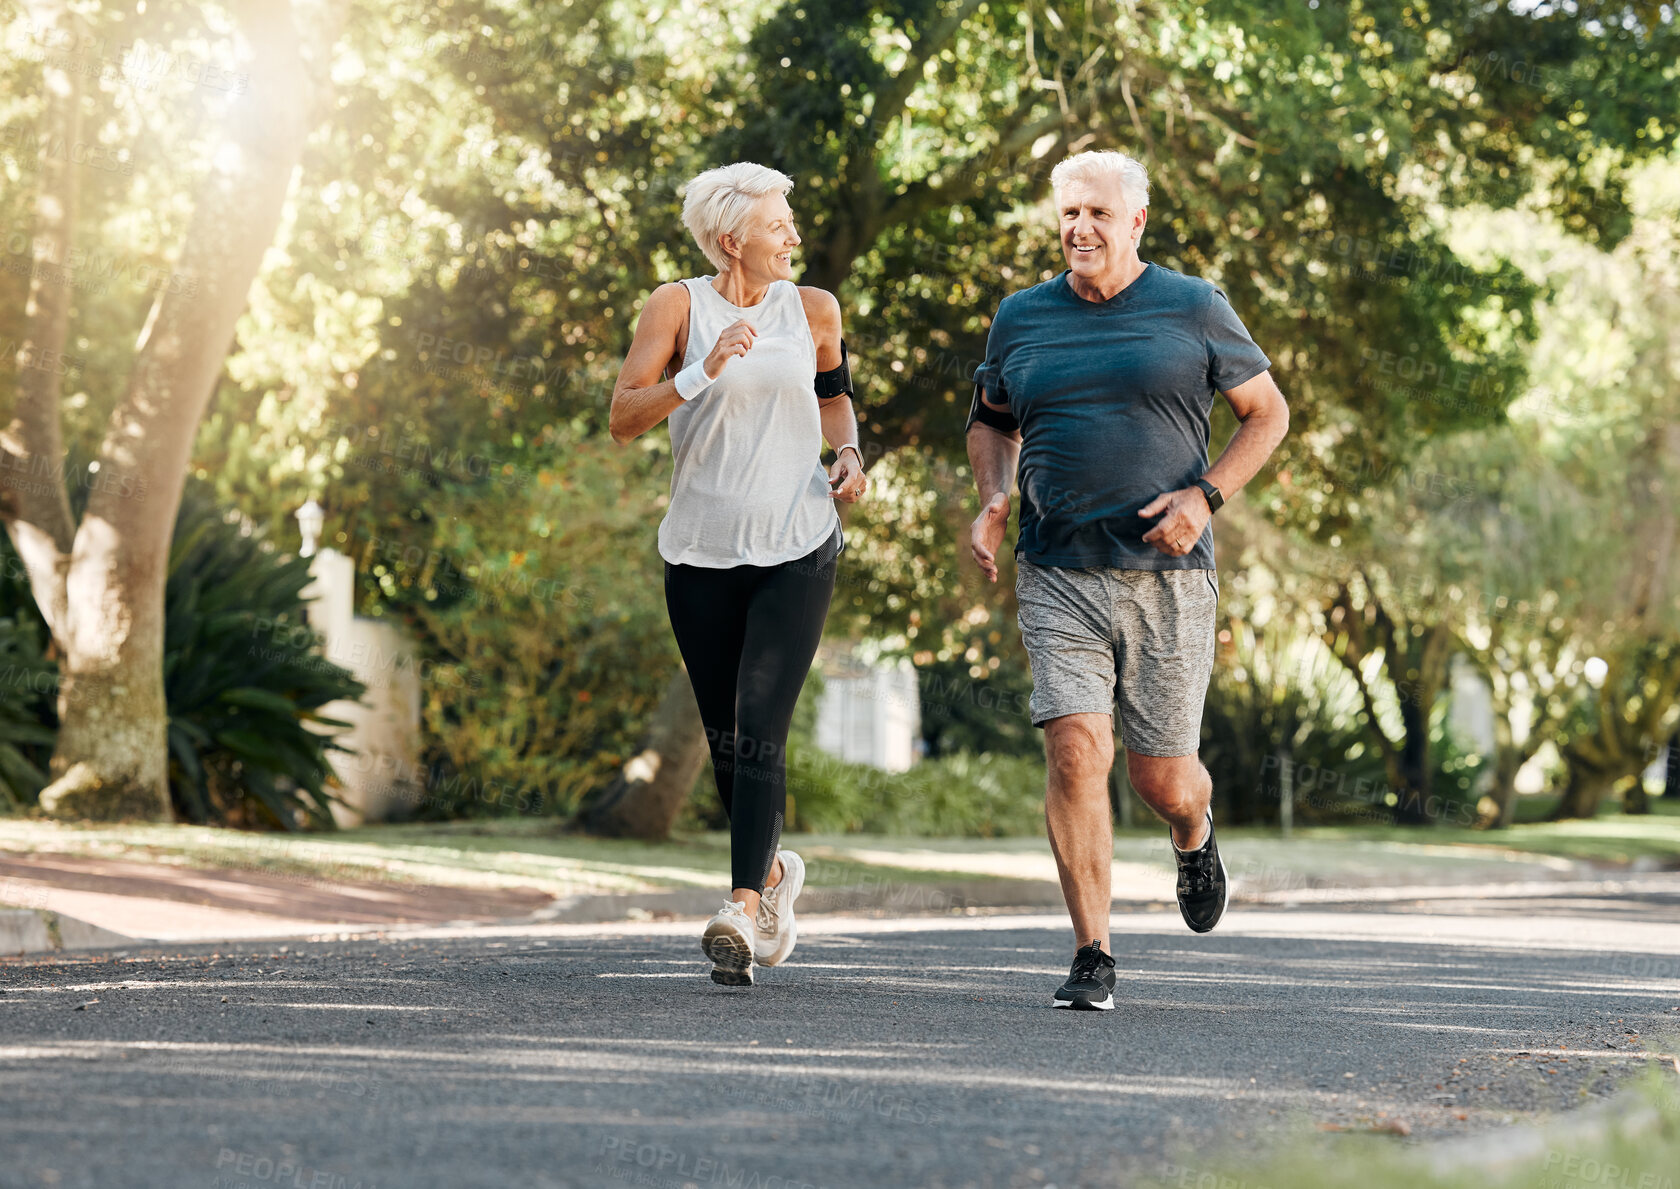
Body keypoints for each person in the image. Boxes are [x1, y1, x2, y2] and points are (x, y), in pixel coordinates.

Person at [965, 150, 1289, 1010]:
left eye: (1099, 214)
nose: (1080, 228)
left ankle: (1193, 829)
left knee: (1160, 777)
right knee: (1076, 749)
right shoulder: (1020, 318)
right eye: (1069, 213)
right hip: (1057, 567)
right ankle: (1092, 953)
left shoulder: (1194, 306)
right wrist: (995, 495)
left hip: (1168, 573)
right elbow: (991, 421)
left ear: (1136, 222)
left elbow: (1269, 413)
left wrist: (1207, 496)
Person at [610, 162, 868, 987]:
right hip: (700, 552)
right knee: (728, 738)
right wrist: (703, 368)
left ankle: (740, 906)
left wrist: (851, 453)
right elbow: (622, 416)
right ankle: (775, 879)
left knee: (760, 719)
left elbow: (834, 398)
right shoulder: (676, 306)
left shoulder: (815, 309)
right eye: (778, 223)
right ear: (733, 240)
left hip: (797, 542)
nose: (794, 233)